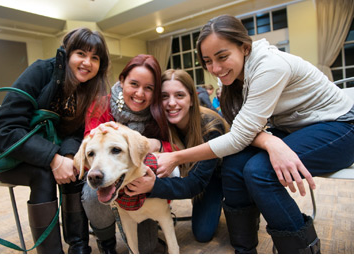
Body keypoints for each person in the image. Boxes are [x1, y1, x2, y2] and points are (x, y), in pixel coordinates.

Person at [156, 15, 354, 254]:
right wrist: (270, 141)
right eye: (207, 61)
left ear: (244, 47)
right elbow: (242, 131)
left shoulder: (269, 66)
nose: (215, 69)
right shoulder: (229, 79)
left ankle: (302, 255)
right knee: (233, 164)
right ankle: (245, 251)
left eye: (222, 56)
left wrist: (176, 157)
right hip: (295, 129)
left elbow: (239, 136)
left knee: (259, 171)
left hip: (340, 127)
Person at [0, 28, 110, 254]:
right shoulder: (40, 71)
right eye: (81, 54)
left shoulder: (86, 88)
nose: (87, 62)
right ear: (67, 53)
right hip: (11, 155)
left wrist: (66, 157)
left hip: (48, 151)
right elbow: (5, 130)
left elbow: (74, 133)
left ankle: (79, 248)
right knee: (43, 174)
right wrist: (53, 159)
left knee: (75, 168)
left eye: (95, 58)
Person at [124, 69, 228, 242]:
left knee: (203, 233)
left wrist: (153, 186)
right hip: (190, 176)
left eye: (179, 95)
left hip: (215, 177)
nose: (171, 103)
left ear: (192, 99)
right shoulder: (159, 123)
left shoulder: (211, 127)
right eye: (164, 96)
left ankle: (243, 207)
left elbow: (196, 183)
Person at [82, 54, 171, 253]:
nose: (140, 93)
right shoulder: (100, 105)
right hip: (105, 174)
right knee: (91, 194)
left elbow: (175, 147)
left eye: (149, 88)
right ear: (121, 81)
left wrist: (155, 143)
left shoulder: (158, 112)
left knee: (147, 249)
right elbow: (90, 145)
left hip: (139, 184)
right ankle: (106, 241)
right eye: (134, 84)